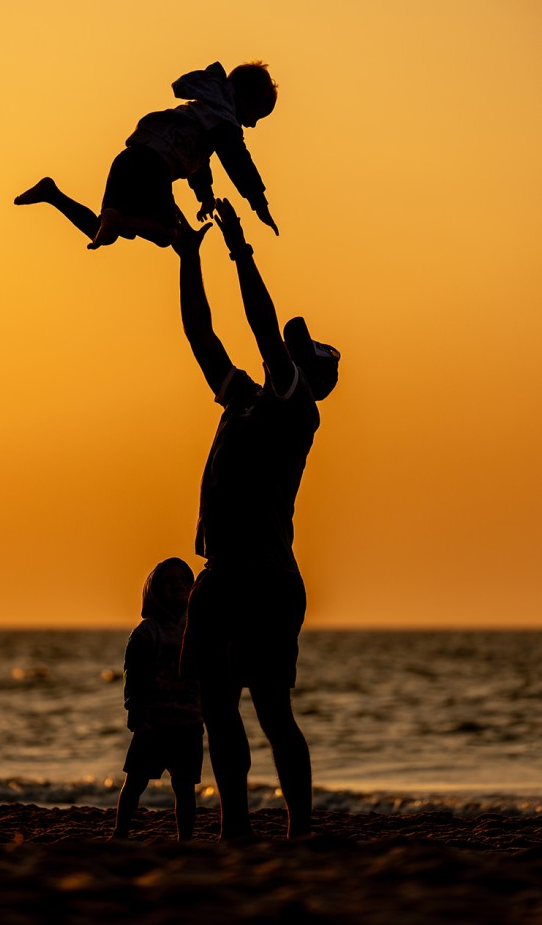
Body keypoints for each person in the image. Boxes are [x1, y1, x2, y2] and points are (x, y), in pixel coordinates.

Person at [172, 200, 340, 840]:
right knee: (216, 707)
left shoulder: (298, 408)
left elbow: (263, 325)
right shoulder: (243, 396)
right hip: (222, 571)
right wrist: (190, 258)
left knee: (272, 709)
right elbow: (201, 336)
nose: (282, 354)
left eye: (297, 354)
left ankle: (299, 828)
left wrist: (240, 248)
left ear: (309, 374)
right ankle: (235, 827)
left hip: (266, 576)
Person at [14, 61, 279, 251]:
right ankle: (118, 218)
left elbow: (202, 160)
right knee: (167, 235)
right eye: (257, 115)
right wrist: (259, 203)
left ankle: (52, 194)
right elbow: (237, 160)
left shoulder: (202, 113)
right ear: (246, 98)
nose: (252, 125)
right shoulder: (223, 120)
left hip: (128, 159)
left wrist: (205, 196)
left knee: (101, 230)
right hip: (153, 168)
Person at [109, 557, 203, 841]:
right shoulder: (147, 631)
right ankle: (120, 831)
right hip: (154, 721)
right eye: (169, 581)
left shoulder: (197, 628)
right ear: (155, 590)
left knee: (185, 787)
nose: (178, 585)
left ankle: (185, 837)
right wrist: (135, 710)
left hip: (189, 720)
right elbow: (133, 675)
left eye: (184, 580)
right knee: (136, 781)